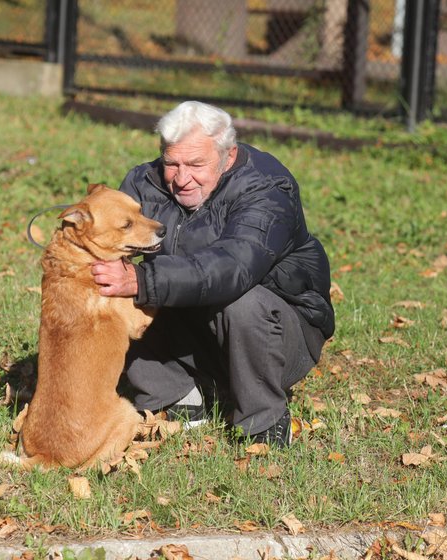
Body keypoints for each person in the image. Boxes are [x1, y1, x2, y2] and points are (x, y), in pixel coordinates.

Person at [90, 101, 334, 447]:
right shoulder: (143, 183)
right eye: (171, 163)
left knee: (240, 301)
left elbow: (232, 268)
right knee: (114, 288)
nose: (181, 177)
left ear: (228, 156)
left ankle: (263, 422)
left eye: (196, 164)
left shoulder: (267, 189)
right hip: (197, 328)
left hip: (277, 336)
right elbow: (105, 240)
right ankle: (176, 396)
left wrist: (143, 281)